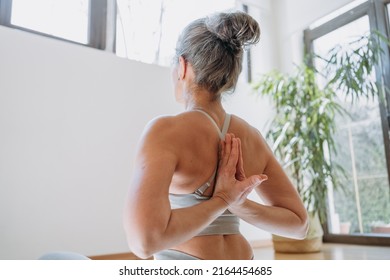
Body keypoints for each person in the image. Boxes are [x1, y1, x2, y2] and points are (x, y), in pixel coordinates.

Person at [123, 11, 308, 260]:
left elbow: (144, 242)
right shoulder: (251, 138)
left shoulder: (165, 131)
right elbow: (299, 224)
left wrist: (224, 199)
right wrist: (238, 204)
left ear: (183, 66)